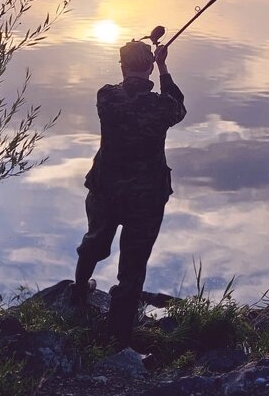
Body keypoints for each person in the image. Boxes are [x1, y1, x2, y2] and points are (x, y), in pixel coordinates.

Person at [71, 40, 186, 348]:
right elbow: (178, 105)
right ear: (149, 68)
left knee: (95, 241)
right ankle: (118, 337)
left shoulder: (106, 97)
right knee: (133, 266)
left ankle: (79, 293)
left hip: (105, 189)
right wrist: (163, 67)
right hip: (146, 197)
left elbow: (128, 89)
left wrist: (149, 62)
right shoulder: (162, 107)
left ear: (122, 67)